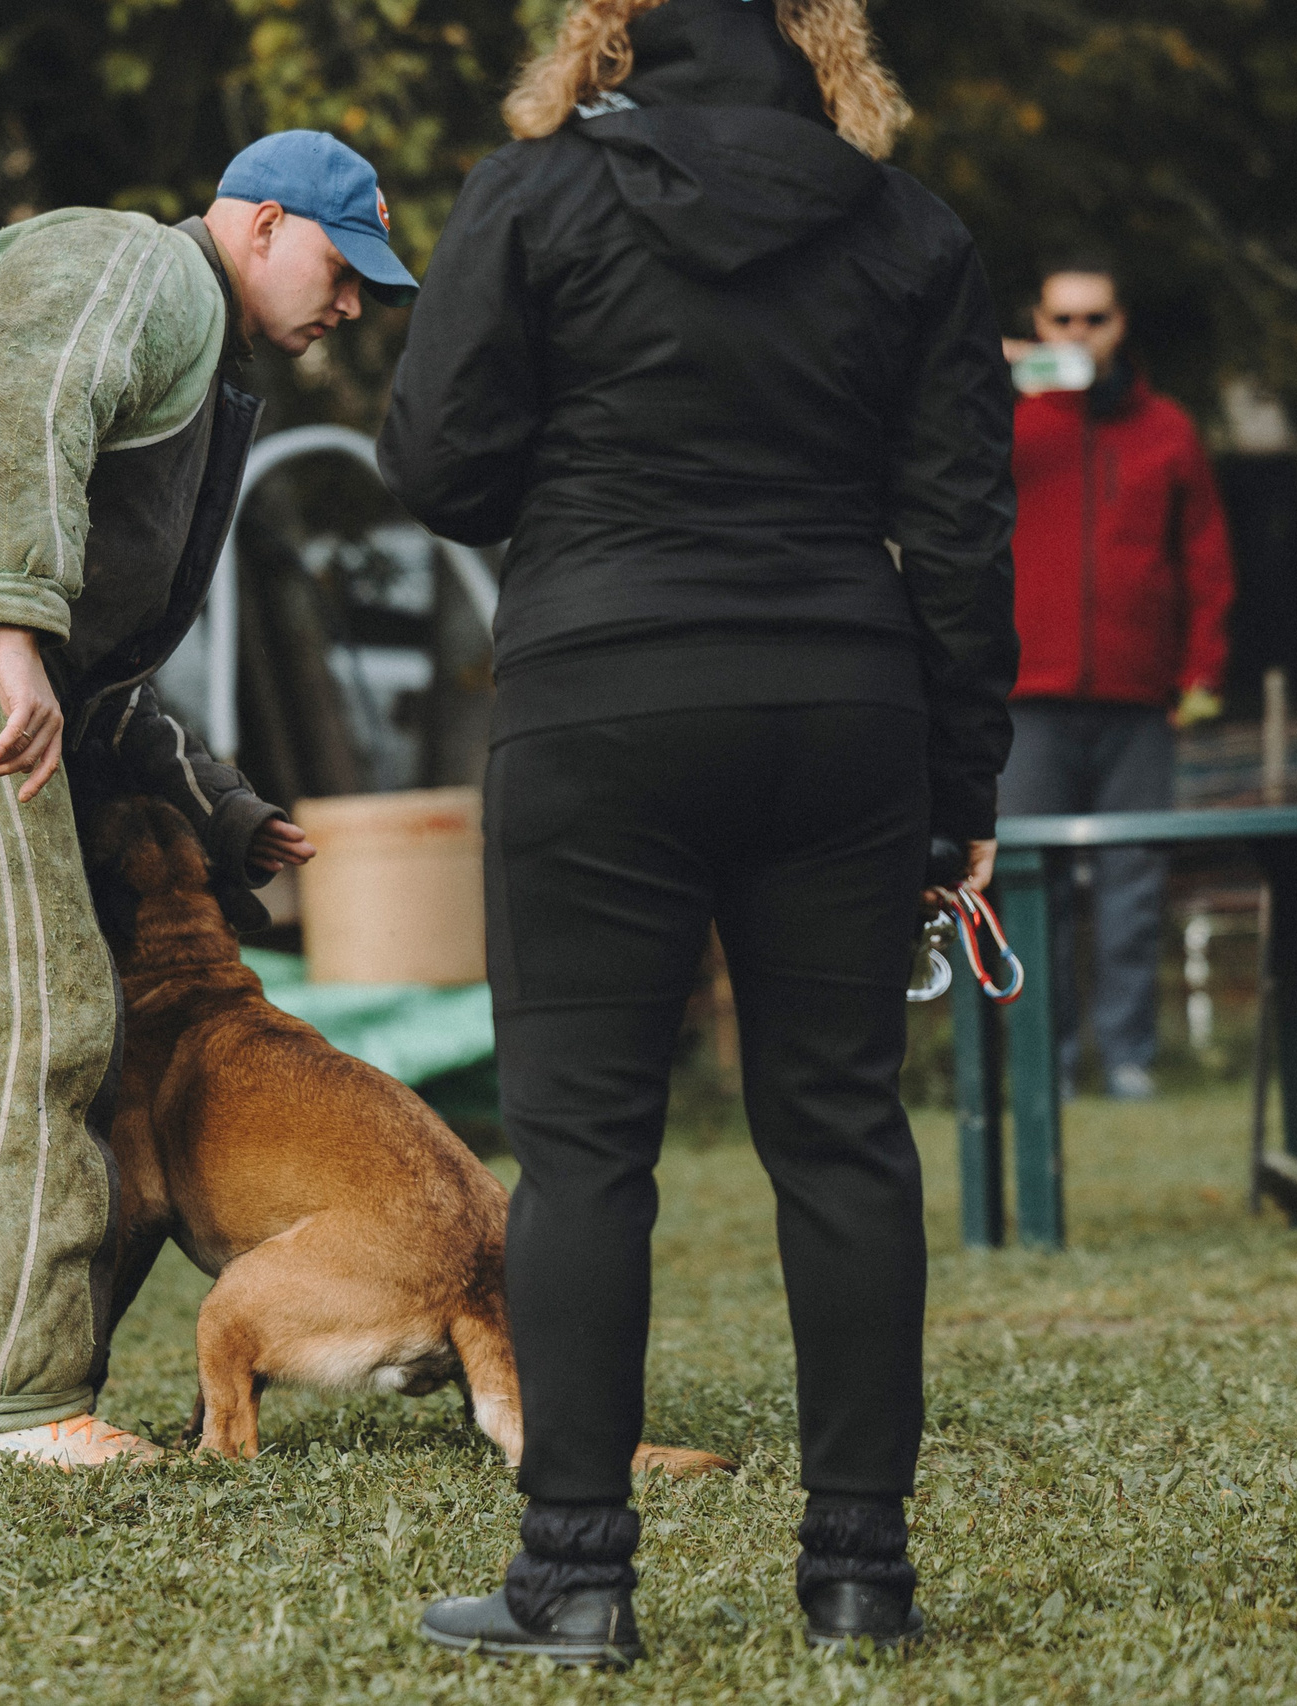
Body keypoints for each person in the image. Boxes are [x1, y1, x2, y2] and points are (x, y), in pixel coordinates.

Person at [379, 0, 1018, 1663]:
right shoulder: (910, 230)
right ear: (823, 33)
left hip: (602, 695)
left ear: (611, 25)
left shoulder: (532, 197)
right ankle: (862, 1581)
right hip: (840, 703)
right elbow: (956, 528)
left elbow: (438, 460)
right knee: (843, 1132)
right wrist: (964, 799)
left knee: (588, 1145)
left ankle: (575, 1578)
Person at [0, 130, 414, 1468]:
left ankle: (8, 1392)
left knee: (30, 1009)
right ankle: (13, 1414)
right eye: (340, 265)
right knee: (13, 1015)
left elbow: (105, 676)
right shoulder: (137, 265)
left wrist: (227, 813)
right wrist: (9, 624)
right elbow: (11, 394)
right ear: (253, 223)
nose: (351, 300)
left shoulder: (191, 362)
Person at [1000, 256, 1236, 1101]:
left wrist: (1199, 672)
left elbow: (1205, 558)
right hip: (1026, 698)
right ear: (1039, 322)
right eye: (1062, 320)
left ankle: (1128, 1056)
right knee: (1033, 888)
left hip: (1140, 701)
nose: (1078, 335)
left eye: (1093, 319)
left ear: (1119, 324)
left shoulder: (1167, 428)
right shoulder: (1007, 419)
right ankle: (1046, 1060)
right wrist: (995, 375)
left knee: (1135, 888)